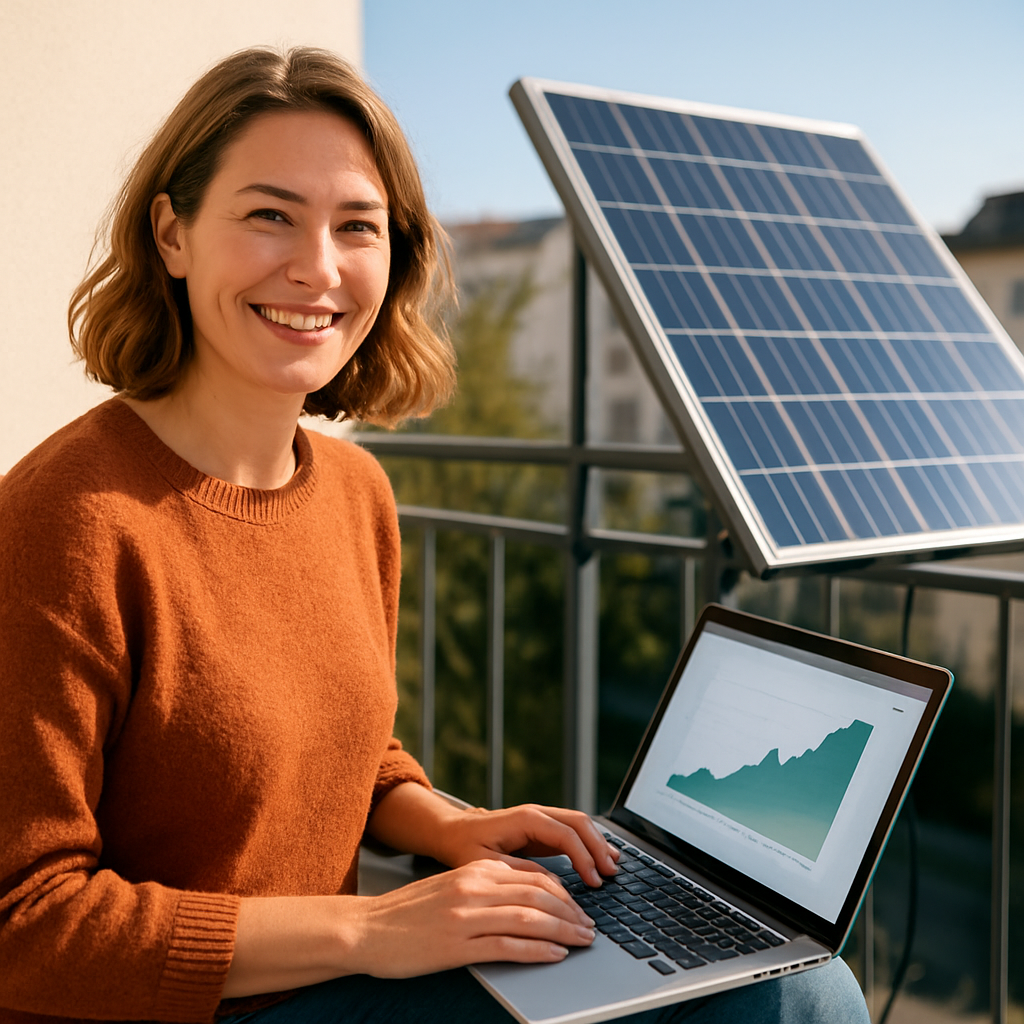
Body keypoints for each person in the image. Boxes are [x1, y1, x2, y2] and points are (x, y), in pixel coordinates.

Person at [0, 47, 869, 1024]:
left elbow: (346, 750)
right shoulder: (63, 520)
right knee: (797, 1006)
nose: (318, 267)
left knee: (780, 976)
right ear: (173, 232)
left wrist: (451, 823)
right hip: (170, 1009)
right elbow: (22, 925)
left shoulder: (355, 492)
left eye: (356, 226)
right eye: (268, 215)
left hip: (320, 980)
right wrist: (375, 930)